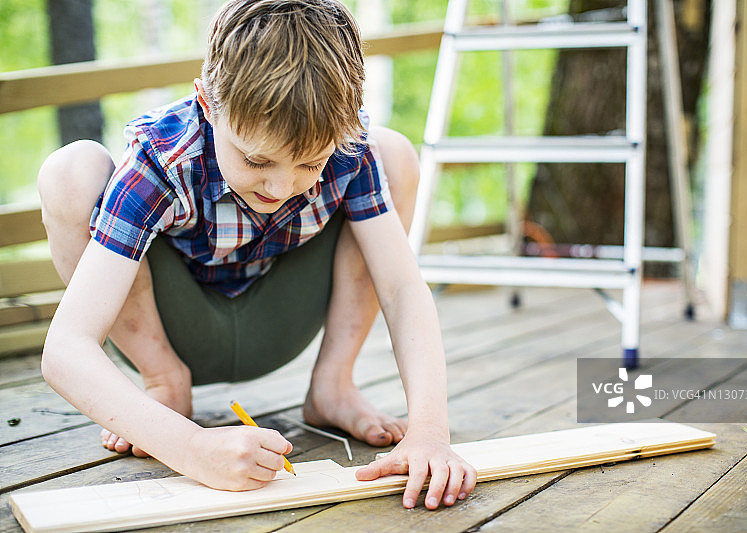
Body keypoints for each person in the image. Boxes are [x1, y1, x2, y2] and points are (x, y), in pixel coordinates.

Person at [37, 0, 476, 511]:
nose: (282, 186)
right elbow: (64, 349)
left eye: (309, 163)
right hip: (175, 329)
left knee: (393, 151)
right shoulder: (163, 159)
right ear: (206, 101)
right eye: (256, 159)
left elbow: (402, 290)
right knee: (71, 170)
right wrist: (192, 448)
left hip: (280, 320)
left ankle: (334, 383)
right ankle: (164, 381)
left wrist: (429, 430)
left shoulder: (349, 145)